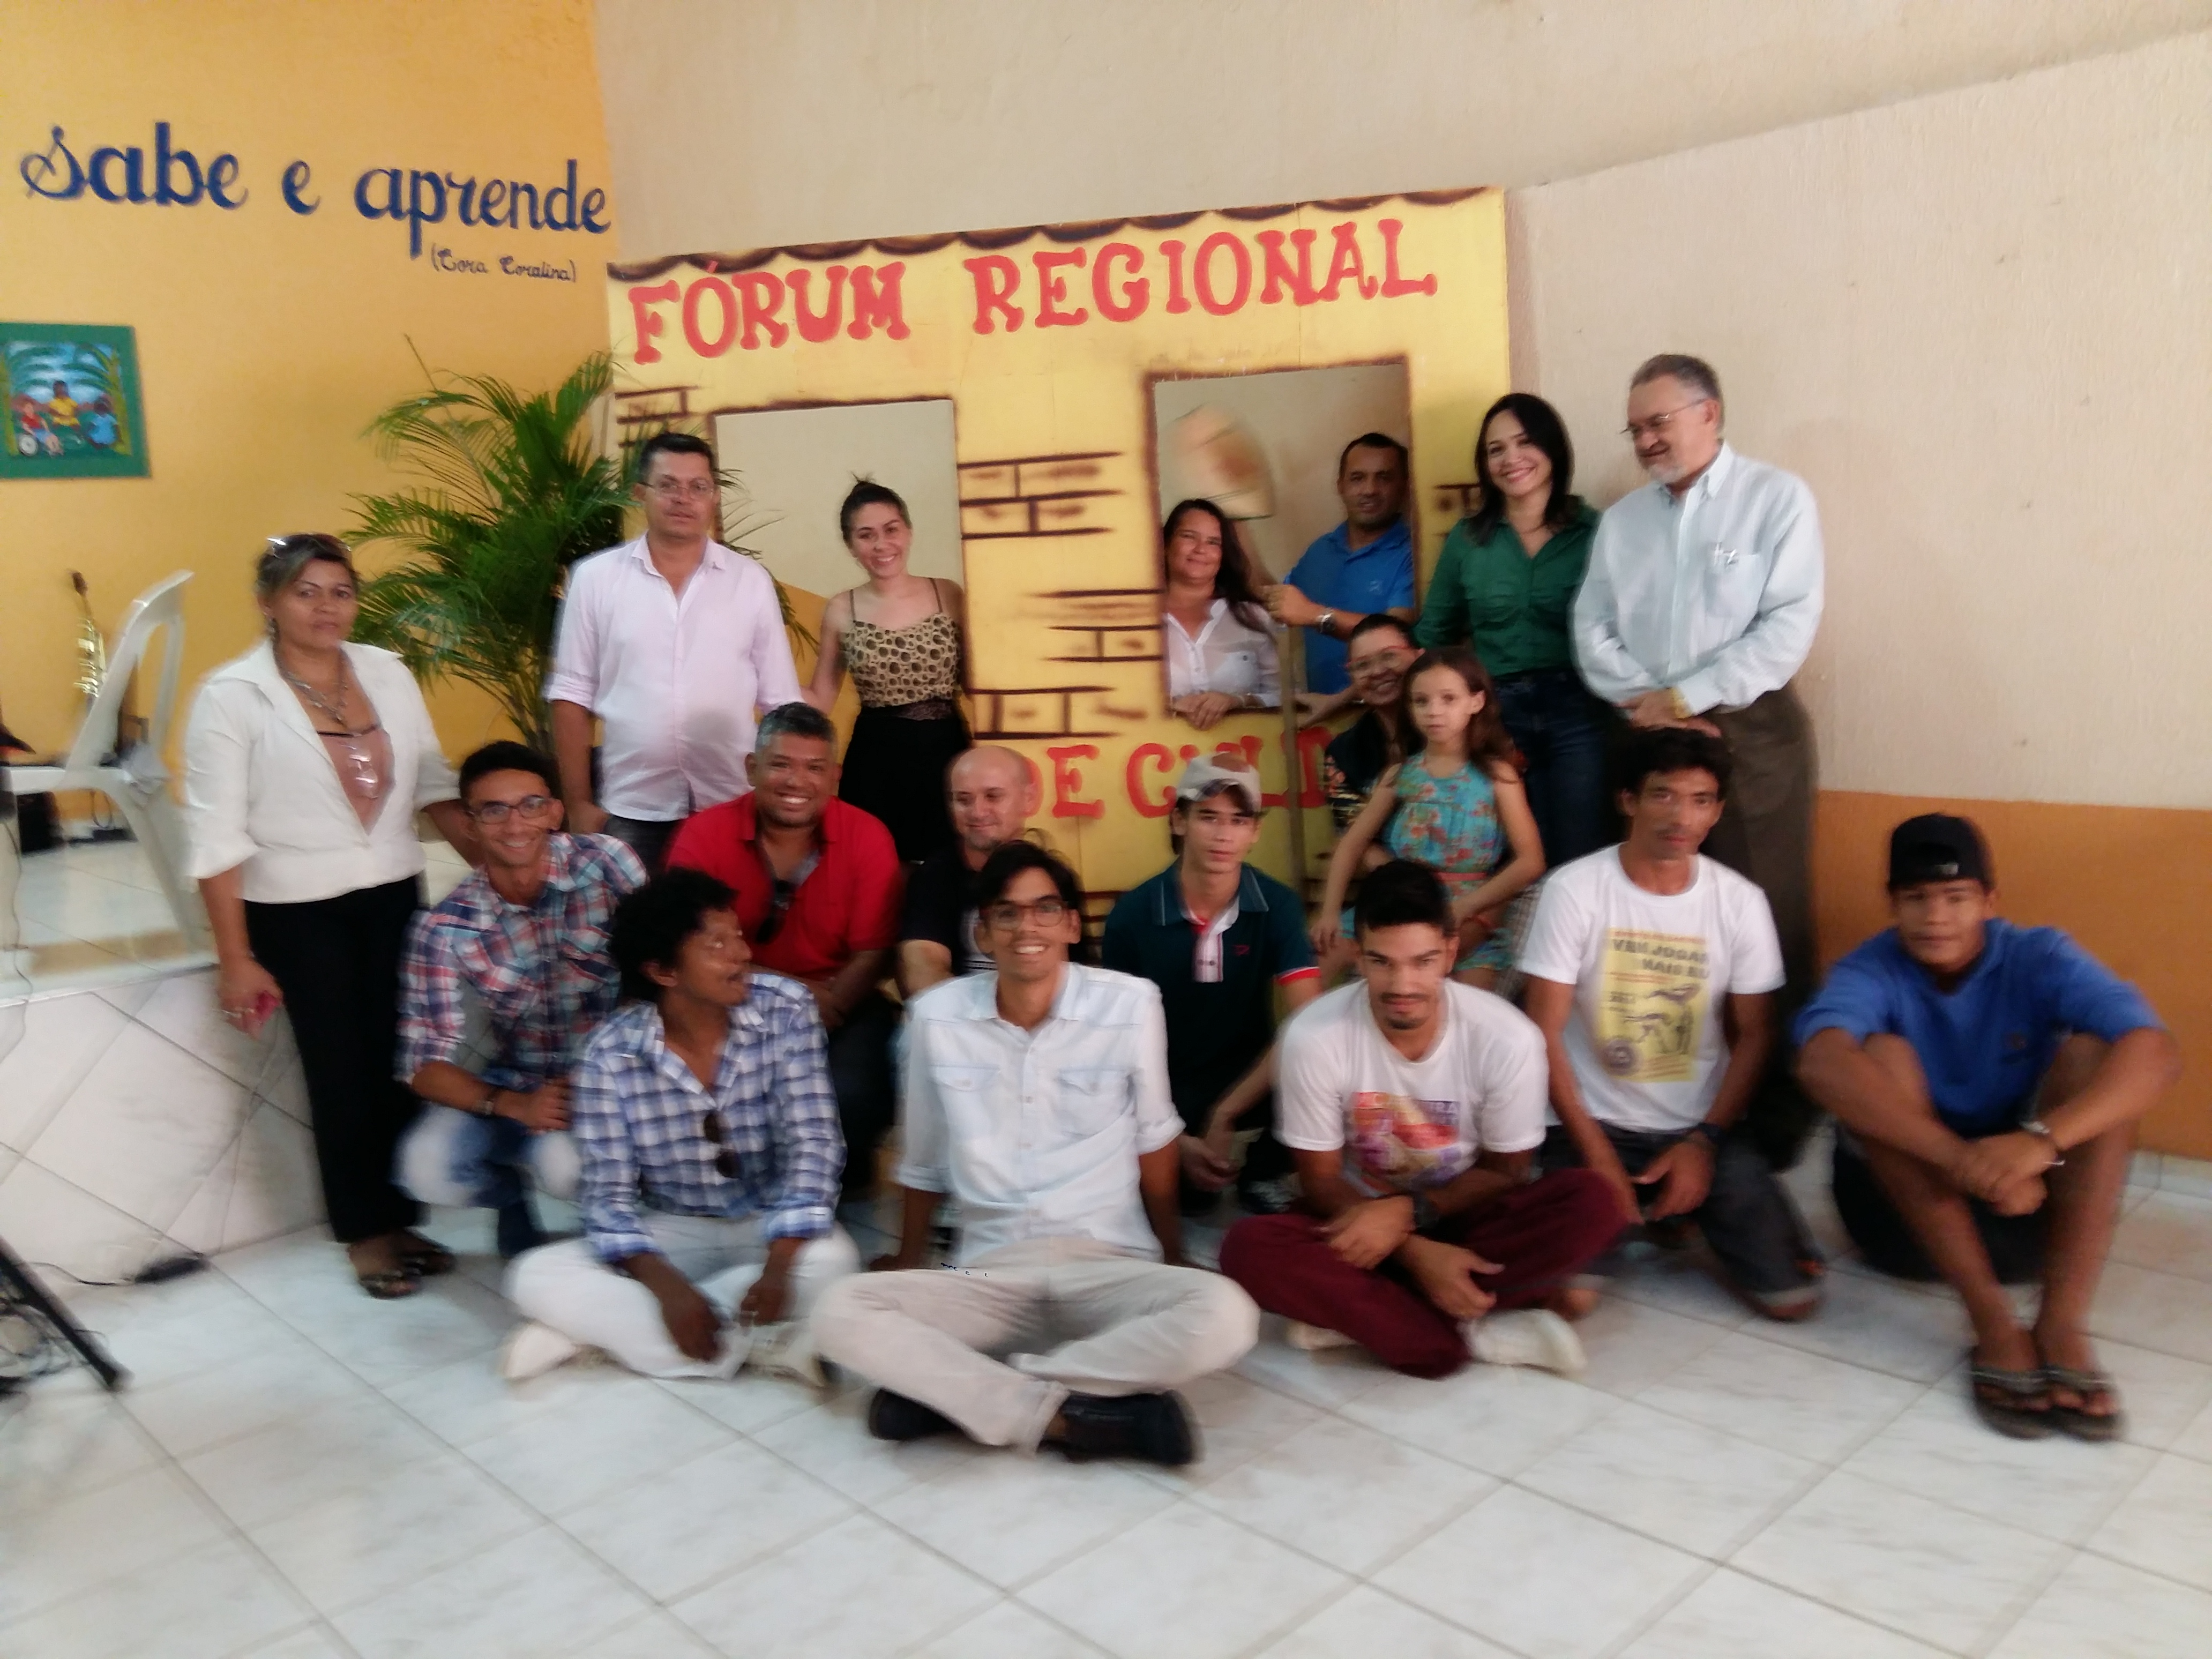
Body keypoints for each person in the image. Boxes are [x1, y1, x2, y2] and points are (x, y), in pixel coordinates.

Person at [812, 841, 1260, 1465]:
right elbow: (923, 1162)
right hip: (991, 1275)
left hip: (1108, 1263)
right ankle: (1075, 1416)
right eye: (1008, 913)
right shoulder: (936, 1018)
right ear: (982, 933)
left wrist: (1173, 1253)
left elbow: (1154, 1140)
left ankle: (964, 1397)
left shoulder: (1130, 1004)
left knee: (1228, 1314)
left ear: (1072, 925)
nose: (1028, 928)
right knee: (838, 1310)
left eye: (1046, 909)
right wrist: (911, 1264)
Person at [1795, 815, 2179, 1439]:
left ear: (1990, 901)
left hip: (2023, 1213)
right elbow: (1820, 1062)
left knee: (2096, 1056)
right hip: (1900, 1222)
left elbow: (2156, 1052)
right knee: (1880, 1057)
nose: (1936, 918)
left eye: (1956, 897)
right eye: (1917, 898)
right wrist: (1962, 1161)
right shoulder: (1870, 968)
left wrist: (2039, 1144)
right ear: (1892, 904)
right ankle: (1994, 1326)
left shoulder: (2039, 955)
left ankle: (2061, 1324)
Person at [184, 534, 474, 1299]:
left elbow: (433, 781)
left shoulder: (387, 671)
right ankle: (364, 1232)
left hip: (392, 890)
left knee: (399, 1060)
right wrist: (235, 957)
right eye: (305, 592)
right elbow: (215, 836)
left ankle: (403, 1217)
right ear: (268, 603)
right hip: (294, 907)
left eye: (340, 592)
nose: (326, 607)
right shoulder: (232, 695)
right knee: (339, 1069)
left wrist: (501, 866)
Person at [1219, 861, 1619, 1377]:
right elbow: (1320, 1180)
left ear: (1450, 953)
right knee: (1247, 1248)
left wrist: (1411, 1215)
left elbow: (1507, 1171)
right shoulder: (1314, 1036)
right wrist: (1412, 1252)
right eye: (1382, 962)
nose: (1402, 985)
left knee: (1593, 1201)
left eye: (1422, 962)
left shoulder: (1507, 1037)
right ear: (1358, 956)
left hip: (1468, 1213)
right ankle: (1469, 1329)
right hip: (1356, 1219)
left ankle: (1374, 1319)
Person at [1573, 354, 1824, 1153]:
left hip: (1751, 731)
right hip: (1645, 730)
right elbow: (1592, 628)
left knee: (1766, 917)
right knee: (1657, 915)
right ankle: (1663, 1103)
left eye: (1660, 423)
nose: (1647, 440)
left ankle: (1776, 1111)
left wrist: (1688, 698)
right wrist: (1654, 705)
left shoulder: (1775, 499)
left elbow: (1787, 625)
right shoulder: (1623, 523)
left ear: (1709, 413)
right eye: (1636, 429)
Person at [502, 869, 860, 1381]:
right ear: (664, 972)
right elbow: (608, 1198)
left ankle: (594, 1335)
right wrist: (668, 1289)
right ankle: (768, 1345)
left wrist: (778, 1270)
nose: (742, 955)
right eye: (717, 945)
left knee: (836, 1264)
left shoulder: (787, 1009)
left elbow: (814, 1144)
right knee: (533, 1274)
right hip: (673, 1224)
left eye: (738, 936)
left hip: (768, 1219)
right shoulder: (610, 1055)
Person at [1520, 727, 1823, 1321]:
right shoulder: (1575, 890)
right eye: (1663, 795)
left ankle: (1678, 1205)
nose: (1681, 817)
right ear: (1628, 800)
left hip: (1697, 1126)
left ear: (1718, 811)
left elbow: (1756, 1034)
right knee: (1570, 1300)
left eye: (1700, 800)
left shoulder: (1739, 901)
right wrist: (1597, 1155)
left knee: (1794, 1301)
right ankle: (1651, 1207)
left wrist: (1705, 1142)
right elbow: (1543, 1030)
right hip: (1592, 1123)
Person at [394, 742, 645, 1260]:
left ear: (554, 811)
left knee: (566, 1169)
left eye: (531, 805)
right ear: (470, 824)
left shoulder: (607, 864)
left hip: (611, 1072)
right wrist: (515, 1104)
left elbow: (664, 966)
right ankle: (508, 1197)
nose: (515, 824)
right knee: (426, 1169)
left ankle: (622, 1222)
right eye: (494, 810)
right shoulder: (446, 926)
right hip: (517, 1081)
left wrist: (607, 1073)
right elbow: (422, 1066)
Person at [665, 702, 902, 1197]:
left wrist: (827, 1009)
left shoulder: (869, 835)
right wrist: (792, 996)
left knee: (853, 1093)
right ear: (752, 768)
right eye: (781, 765)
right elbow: (690, 947)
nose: (798, 782)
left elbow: (874, 952)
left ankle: (838, 1175)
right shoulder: (703, 835)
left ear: (835, 777)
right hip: (729, 1000)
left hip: (842, 1003)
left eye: (815, 768)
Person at [547, 431, 804, 874]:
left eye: (698, 487)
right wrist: (579, 804)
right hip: (631, 806)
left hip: (732, 799)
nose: (684, 499)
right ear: (640, 493)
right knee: (639, 916)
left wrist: (786, 797)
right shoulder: (596, 579)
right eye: (668, 485)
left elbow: (780, 701)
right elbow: (571, 695)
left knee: (730, 913)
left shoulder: (750, 581)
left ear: (714, 497)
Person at [1103, 756, 1321, 1213]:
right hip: (1167, 1088)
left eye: (1239, 820)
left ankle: (1264, 1170)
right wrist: (1172, 1137)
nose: (1224, 835)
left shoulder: (1277, 905)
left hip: (1252, 1082)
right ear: (1179, 821)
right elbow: (1114, 1045)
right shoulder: (1132, 915)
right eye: (1209, 817)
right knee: (1184, 1202)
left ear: (1255, 831)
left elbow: (1308, 1024)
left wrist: (1228, 1112)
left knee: (1323, 1052)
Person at [1417, 393, 1612, 865]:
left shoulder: (1597, 532)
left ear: (1553, 448)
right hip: (1496, 716)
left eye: (1525, 442)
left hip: (1580, 711)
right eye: (1496, 450)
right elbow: (1434, 636)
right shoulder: (1468, 539)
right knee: (1504, 857)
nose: (1511, 459)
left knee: (1580, 855)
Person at [1314, 648, 1544, 989]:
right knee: (1309, 969)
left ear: (1477, 701)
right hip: (1397, 904)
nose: (1434, 711)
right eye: (1421, 701)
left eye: (1449, 699)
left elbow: (1531, 861)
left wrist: (1466, 906)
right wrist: (1329, 912)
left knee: (1467, 1009)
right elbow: (1352, 843)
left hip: (1469, 913)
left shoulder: (1498, 777)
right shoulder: (1401, 775)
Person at [802, 480, 970, 863]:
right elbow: (821, 699)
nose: (882, 545)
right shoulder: (842, 608)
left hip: (947, 751)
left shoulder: (949, 593)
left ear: (908, 531)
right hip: (877, 761)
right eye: (866, 535)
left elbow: (976, 681)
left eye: (891, 529)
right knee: (878, 867)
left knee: (950, 868)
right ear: (851, 545)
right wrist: (753, 672)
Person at [1268, 434, 1418, 697]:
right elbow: (1278, 601)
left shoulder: (1414, 552)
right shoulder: (1320, 550)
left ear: (1404, 487)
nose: (1370, 490)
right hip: (1320, 714)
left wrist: (1314, 614)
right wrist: (1238, 523)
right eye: (1358, 478)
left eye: (1384, 478)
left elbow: (1395, 635)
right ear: (1341, 486)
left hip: (1385, 711)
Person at [897, 744, 1041, 997]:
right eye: (963, 800)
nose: (977, 812)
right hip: (958, 1020)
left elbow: (1068, 978)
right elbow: (922, 974)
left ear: (1028, 799)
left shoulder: (1050, 876)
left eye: (993, 797)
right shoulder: (933, 879)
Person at [1159, 498, 1280, 729]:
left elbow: (1287, 697)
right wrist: (1167, 705)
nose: (1201, 549)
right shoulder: (1139, 621)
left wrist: (1238, 701)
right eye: (1189, 537)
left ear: (1224, 555)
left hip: (1248, 748)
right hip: (1156, 749)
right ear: (1166, 544)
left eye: (1213, 542)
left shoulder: (1254, 617)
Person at [1321, 614, 1416, 832]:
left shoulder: (1455, 733)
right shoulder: (1344, 754)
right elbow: (1353, 837)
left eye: (1390, 656)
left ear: (1420, 656)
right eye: (1362, 665)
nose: (1378, 672)